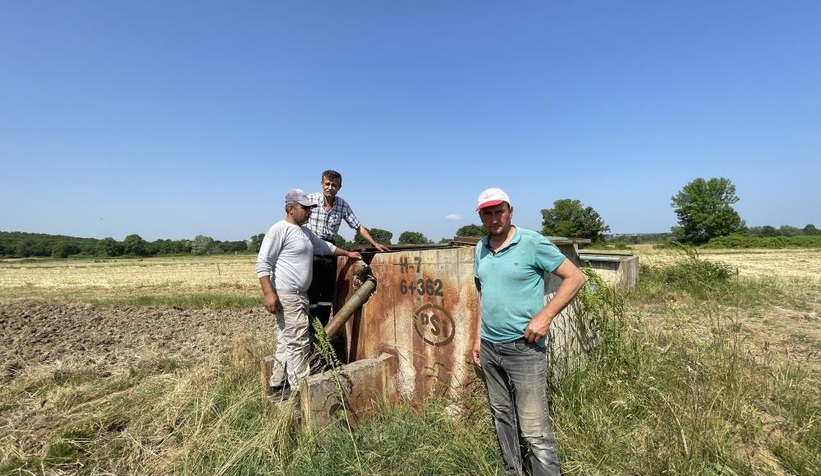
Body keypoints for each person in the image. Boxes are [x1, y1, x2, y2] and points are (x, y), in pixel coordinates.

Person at [471, 187, 586, 476]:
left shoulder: (532, 243)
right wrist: (477, 337)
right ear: (481, 217)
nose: (494, 218)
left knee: (535, 428)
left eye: (500, 211)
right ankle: (514, 471)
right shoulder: (480, 248)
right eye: (488, 213)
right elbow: (483, 294)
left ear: (510, 212)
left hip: (524, 348)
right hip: (489, 347)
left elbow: (575, 277)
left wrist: (545, 317)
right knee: (502, 416)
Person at [256, 188, 362, 400]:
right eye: (305, 208)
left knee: (286, 339)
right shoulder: (280, 230)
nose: (309, 212)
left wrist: (348, 253)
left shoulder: (304, 232)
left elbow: (325, 247)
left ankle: (278, 384)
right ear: (290, 208)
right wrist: (269, 293)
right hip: (288, 292)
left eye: (310, 208)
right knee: (299, 341)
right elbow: (263, 263)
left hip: (299, 294)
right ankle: (300, 390)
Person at [306, 169, 389, 328]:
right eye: (327, 184)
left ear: (339, 187)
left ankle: (323, 331)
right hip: (311, 249)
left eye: (334, 185)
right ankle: (310, 331)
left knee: (327, 293)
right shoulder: (310, 199)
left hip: (330, 252)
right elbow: (296, 216)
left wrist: (374, 242)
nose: (330, 187)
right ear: (321, 184)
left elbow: (357, 226)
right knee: (311, 292)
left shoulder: (342, 205)